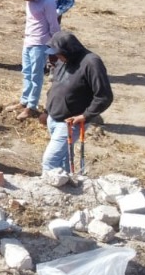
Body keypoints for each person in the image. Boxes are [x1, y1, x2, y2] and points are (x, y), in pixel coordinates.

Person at [40, 31, 114, 178]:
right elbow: (57, 86)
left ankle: (49, 191)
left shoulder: (92, 63)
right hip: (54, 117)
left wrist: (85, 116)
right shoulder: (64, 59)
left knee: (50, 161)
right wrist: (47, 110)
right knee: (63, 159)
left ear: (69, 50)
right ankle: (68, 187)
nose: (56, 57)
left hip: (70, 123)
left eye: (58, 53)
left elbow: (104, 96)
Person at [11, 0, 61, 121]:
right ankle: (24, 100)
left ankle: (31, 106)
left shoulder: (48, 3)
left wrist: (54, 45)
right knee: (26, 71)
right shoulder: (29, 2)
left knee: (36, 74)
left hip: (40, 43)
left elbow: (54, 25)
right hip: (28, 40)